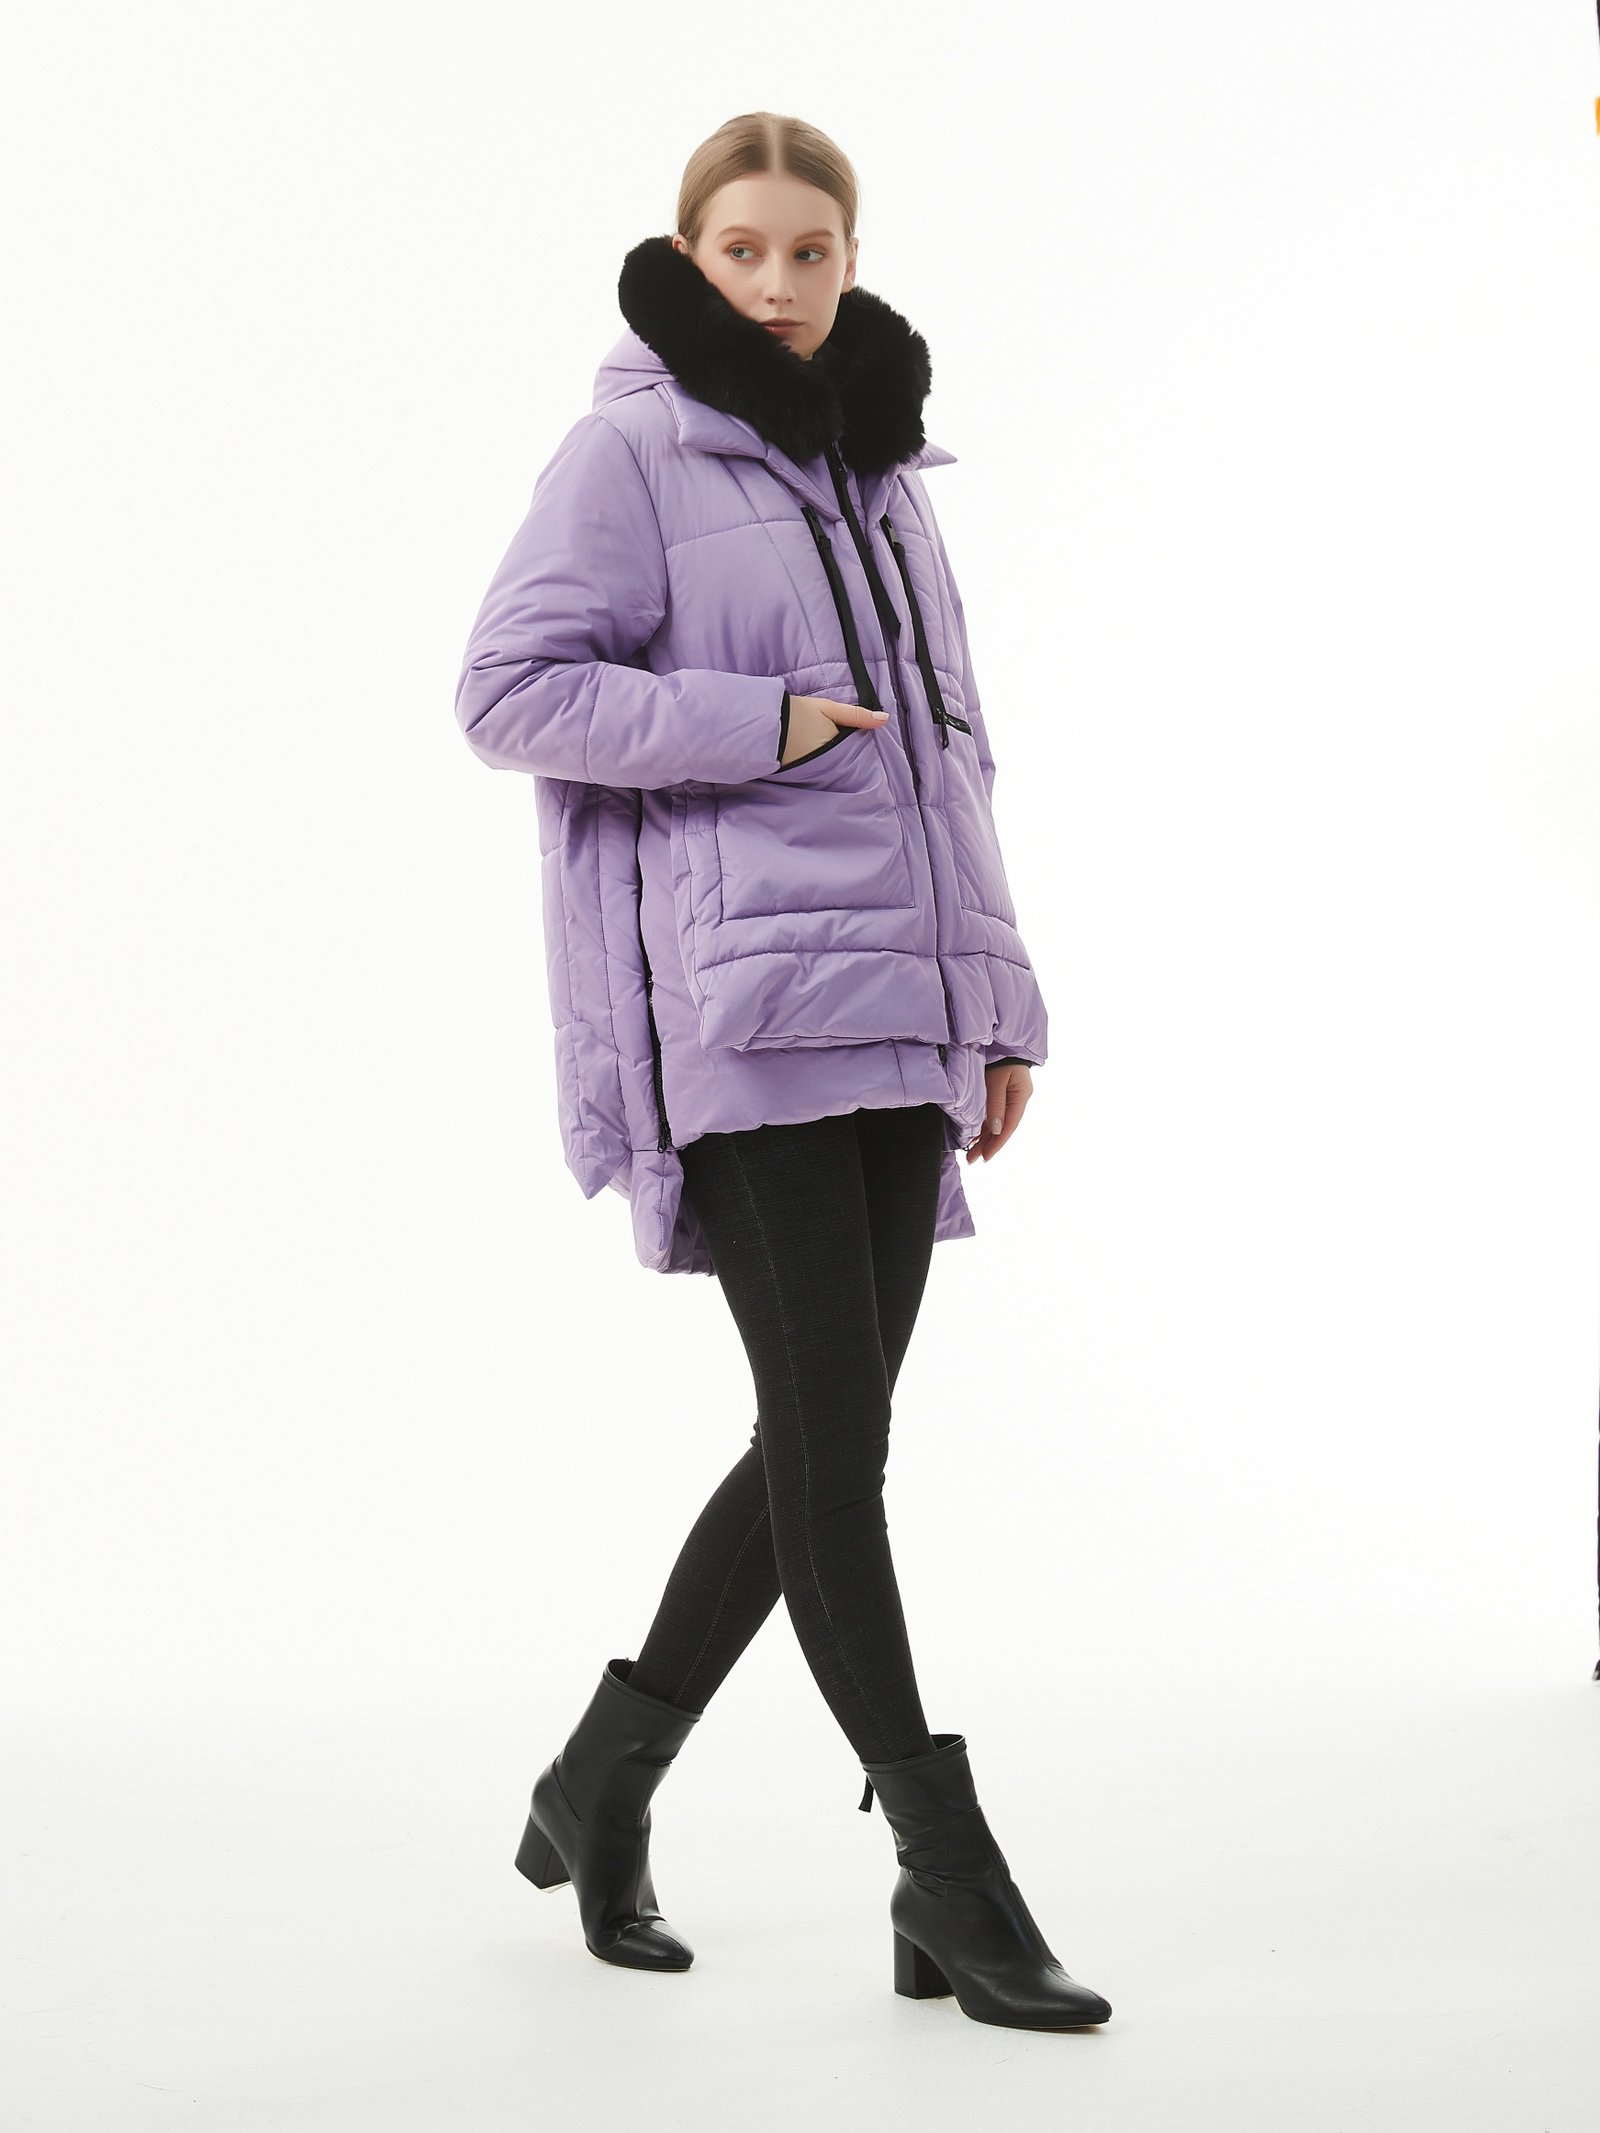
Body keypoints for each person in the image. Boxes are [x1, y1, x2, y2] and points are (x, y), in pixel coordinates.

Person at [453, 110, 1112, 2034]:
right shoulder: (632, 451)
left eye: (809, 251)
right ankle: (947, 1862)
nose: (776, 282)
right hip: (742, 1016)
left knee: (825, 1441)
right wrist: (759, 723)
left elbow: (952, 761)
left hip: (898, 1010)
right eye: (740, 249)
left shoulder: (883, 469)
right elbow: (507, 690)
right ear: (690, 256)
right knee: (836, 1454)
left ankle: (601, 1779)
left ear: (850, 260)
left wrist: (993, 1005)